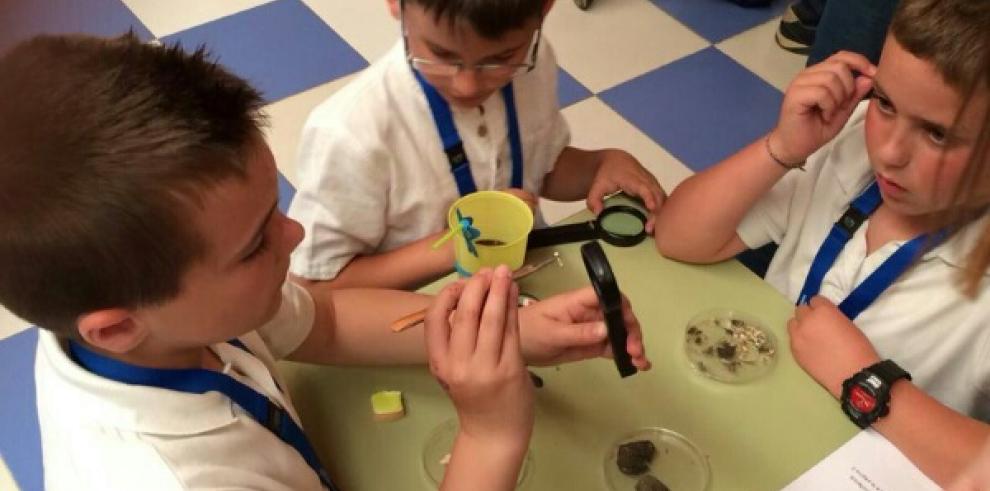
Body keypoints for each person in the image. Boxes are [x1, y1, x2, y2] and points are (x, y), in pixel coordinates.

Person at [0, 33, 651, 490]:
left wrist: (518, 331)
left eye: (272, 209)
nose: (295, 232)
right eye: (257, 243)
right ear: (114, 327)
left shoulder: (154, 313)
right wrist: (490, 437)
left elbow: (324, 320)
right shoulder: (170, 476)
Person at [655, 0, 990, 484]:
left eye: (937, 134)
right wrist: (782, 148)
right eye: (885, 102)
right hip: (752, 428)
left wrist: (867, 380)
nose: (889, 153)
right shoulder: (853, 140)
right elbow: (678, 236)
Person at [286, 0, 665, 291]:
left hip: (522, 280)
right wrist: (458, 247)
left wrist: (602, 165)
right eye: (441, 55)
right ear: (396, 5)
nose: (467, 85)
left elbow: (540, 169)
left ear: (545, 9)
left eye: (499, 59)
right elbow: (315, 286)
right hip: (414, 317)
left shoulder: (534, 62)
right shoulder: (349, 133)